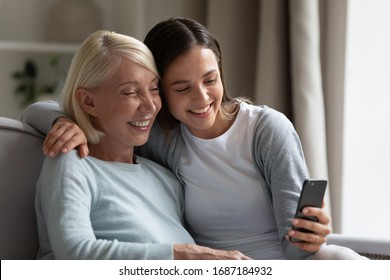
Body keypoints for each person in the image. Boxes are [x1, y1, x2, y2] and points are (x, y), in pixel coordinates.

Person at [23, 19, 366, 260]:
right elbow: (40, 109)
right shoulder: (148, 141)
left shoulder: (260, 132)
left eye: (210, 80)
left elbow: (296, 252)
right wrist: (63, 121)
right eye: (181, 88)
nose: (201, 99)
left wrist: (310, 235)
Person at [31, 29, 251, 260]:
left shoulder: (166, 178)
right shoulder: (72, 161)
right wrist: (181, 255)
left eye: (154, 89)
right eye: (130, 92)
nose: (150, 106)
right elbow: (74, 253)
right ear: (88, 101)